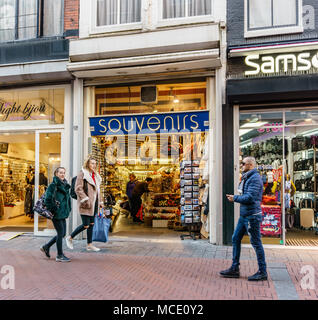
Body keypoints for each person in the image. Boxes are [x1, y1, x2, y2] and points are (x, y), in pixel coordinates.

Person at [220, 156, 268, 281]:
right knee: (235, 238)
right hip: (245, 215)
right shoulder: (248, 177)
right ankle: (235, 268)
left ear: (251, 165)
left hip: (252, 216)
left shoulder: (255, 179)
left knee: (256, 243)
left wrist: (234, 198)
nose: (241, 166)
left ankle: (262, 271)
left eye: (243, 164)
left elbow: (250, 197)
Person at [65, 156, 102, 252]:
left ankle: (89, 245)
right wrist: (85, 199)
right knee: (86, 225)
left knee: (92, 224)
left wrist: (100, 201)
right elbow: (78, 188)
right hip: (86, 203)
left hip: (94, 203)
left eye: (94, 163)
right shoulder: (82, 174)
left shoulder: (95, 175)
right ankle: (70, 237)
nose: (93, 165)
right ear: (87, 164)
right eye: (91, 163)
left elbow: (97, 190)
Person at [40, 167, 72, 262]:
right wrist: (54, 209)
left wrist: (68, 208)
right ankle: (59, 255)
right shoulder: (53, 185)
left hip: (63, 213)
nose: (62, 174)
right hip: (57, 214)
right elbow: (47, 200)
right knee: (60, 233)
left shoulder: (65, 184)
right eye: (60, 173)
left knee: (62, 234)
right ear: (56, 174)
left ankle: (46, 246)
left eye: (64, 173)